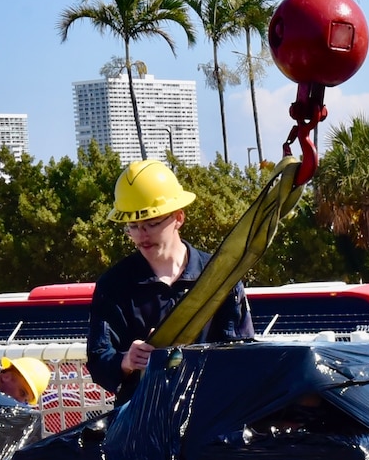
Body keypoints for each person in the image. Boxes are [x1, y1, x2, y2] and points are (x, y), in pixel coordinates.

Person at [87, 159, 253, 404]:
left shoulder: (219, 276)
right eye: (132, 226)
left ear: (179, 218)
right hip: (142, 421)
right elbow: (99, 359)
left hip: (208, 415)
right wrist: (127, 361)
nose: (141, 235)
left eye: (152, 224)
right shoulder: (114, 284)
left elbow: (242, 354)